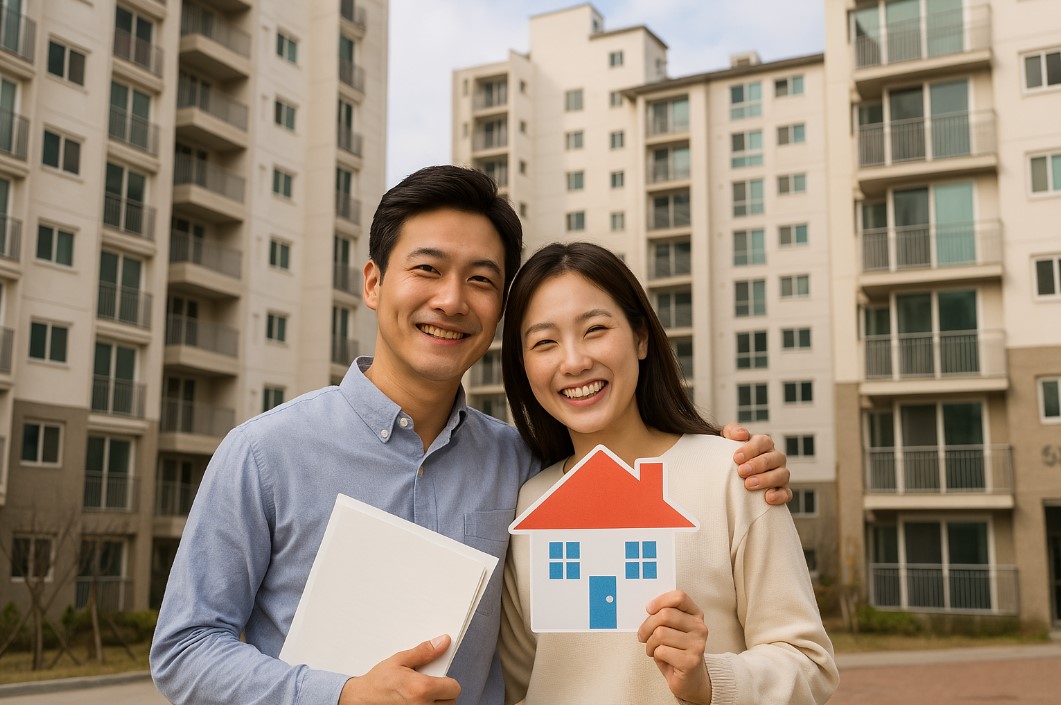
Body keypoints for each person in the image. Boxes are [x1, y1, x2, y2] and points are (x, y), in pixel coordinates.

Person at [150, 166, 793, 705]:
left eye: (481, 280)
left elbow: (624, 462)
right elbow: (184, 650)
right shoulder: (263, 454)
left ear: (498, 312)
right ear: (374, 283)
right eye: (427, 269)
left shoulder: (526, 469)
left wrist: (720, 454)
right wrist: (341, 695)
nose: (452, 300)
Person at [498, 242, 838, 705]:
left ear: (641, 337)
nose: (573, 361)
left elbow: (809, 663)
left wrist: (708, 681)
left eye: (595, 329)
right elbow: (517, 688)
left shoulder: (734, 476)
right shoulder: (528, 503)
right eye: (544, 342)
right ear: (523, 365)